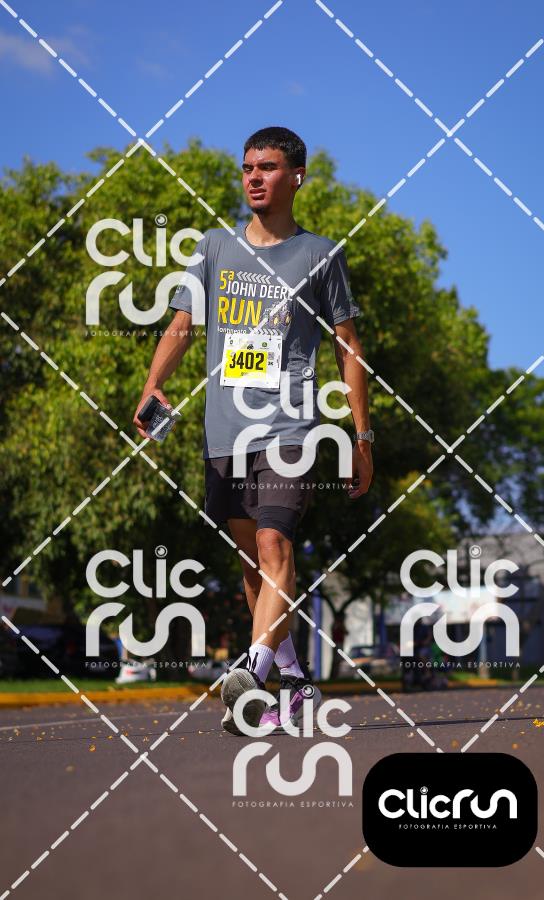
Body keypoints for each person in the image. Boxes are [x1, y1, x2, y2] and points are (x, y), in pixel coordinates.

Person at [133, 126, 373, 734]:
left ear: (297, 177)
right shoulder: (214, 247)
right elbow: (183, 323)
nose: (254, 178)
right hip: (225, 431)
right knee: (253, 566)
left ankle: (251, 673)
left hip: (291, 426)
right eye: (247, 168)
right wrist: (153, 383)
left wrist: (361, 436)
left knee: (275, 546)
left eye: (267, 167)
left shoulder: (320, 255)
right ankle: (294, 679)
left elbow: (348, 347)